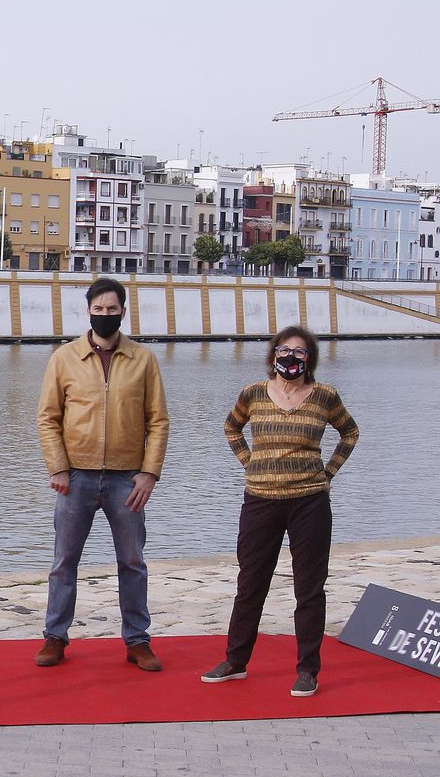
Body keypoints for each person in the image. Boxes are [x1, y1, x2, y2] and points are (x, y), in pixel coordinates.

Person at [203, 327, 358, 698]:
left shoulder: (324, 396)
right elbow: (231, 427)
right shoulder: (254, 393)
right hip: (260, 501)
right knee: (250, 583)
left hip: (310, 503)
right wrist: (250, 462)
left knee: (309, 588)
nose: (291, 358)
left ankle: (307, 670)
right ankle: (235, 661)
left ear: (310, 359)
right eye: (285, 350)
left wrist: (328, 473)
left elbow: (349, 433)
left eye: (300, 352)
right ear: (273, 354)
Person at [35, 277, 170, 671]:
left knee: (132, 561)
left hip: (127, 480)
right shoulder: (64, 358)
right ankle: (55, 638)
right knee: (64, 561)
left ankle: (137, 640)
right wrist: (57, 466)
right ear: (89, 310)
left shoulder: (143, 360)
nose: (106, 315)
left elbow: (158, 421)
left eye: (113, 309)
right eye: (100, 309)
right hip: (74, 477)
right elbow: (47, 418)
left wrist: (149, 473)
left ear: (123, 312)